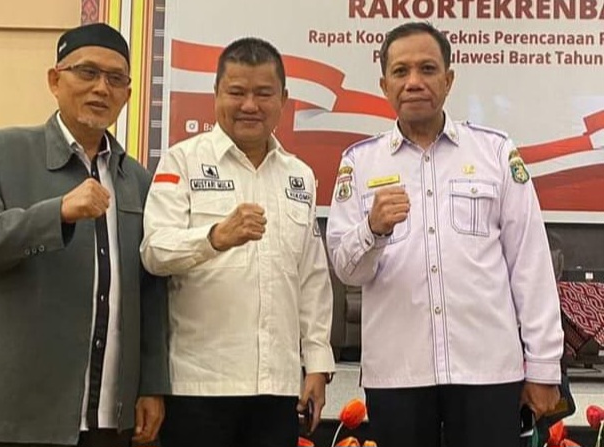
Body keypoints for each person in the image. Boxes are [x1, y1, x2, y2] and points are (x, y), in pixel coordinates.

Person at [326, 22, 564, 447]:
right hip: (398, 374)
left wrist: (544, 366)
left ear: (449, 80)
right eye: (400, 72)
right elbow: (347, 270)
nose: (414, 82)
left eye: (427, 69)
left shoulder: (494, 152)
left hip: (487, 371)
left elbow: (530, 264)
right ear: (384, 85)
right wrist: (372, 229)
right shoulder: (359, 163)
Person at [0, 23, 169, 447]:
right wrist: (57, 213)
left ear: (127, 94)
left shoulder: (138, 180)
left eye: (115, 78)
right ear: (54, 80)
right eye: (87, 72)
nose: (101, 88)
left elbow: (151, 292)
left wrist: (151, 385)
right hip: (16, 417)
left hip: (110, 417)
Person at [139, 37, 335, 447]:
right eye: (237, 92)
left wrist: (317, 364)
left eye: (263, 93)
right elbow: (154, 251)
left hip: (277, 386)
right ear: (216, 94)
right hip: (199, 386)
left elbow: (311, 279)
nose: (250, 105)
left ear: (283, 99)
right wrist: (214, 238)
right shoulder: (182, 160)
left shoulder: (299, 175)